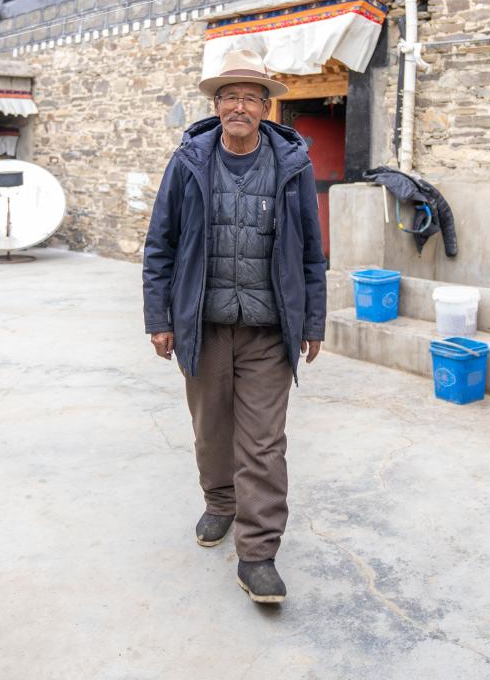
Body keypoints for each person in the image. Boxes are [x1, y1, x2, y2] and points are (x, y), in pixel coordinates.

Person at [143, 49, 327, 604]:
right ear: (216, 105)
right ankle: (220, 501)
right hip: (203, 325)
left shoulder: (292, 165)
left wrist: (313, 319)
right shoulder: (188, 162)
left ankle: (258, 554)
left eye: (250, 97)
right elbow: (161, 244)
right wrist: (160, 317)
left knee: (264, 443)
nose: (239, 106)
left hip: (269, 331)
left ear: (267, 108)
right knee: (211, 430)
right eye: (229, 97)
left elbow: (311, 251)